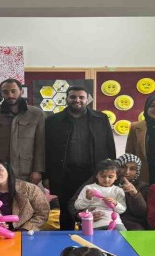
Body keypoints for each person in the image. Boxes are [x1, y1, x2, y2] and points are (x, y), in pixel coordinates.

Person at [46, 87, 116, 230]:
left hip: (93, 173)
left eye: (81, 97)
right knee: (66, 209)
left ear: (87, 99)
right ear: (67, 99)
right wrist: (46, 175)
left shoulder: (100, 118)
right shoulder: (53, 120)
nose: (77, 100)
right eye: (73, 97)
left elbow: (110, 145)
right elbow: (47, 149)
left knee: (94, 207)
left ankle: (91, 238)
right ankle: (66, 238)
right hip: (65, 173)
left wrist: (112, 171)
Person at [0, 78, 46, 183]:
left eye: (13, 91)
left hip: (27, 170)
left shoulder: (37, 114)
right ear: (1, 94)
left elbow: (41, 145)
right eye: (5, 92)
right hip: (1, 171)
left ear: (21, 92)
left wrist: (38, 170)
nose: (10, 95)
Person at [0, 159, 50, 232]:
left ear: (8, 170)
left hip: (26, 233)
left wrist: (24, 229)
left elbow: (42, 213)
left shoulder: (30, 188)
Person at [74, 159, 127, 231]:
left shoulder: (118, 190)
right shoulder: (89, 188)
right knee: (90, 236)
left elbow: (122, 210)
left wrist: (115, 203)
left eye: (110, 177)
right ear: (96, 175)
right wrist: (87, 198)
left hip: (114, 222)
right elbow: (77, 206)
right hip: (93, 222)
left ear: (116, 177)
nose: (106, 179)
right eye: (103, 176)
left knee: (122, 235)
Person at [114, 154, 149, 230]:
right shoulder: (104, 181)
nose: (127, 172)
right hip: (106, 220)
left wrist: (135, 194)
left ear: (137, 171)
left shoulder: (142, 187)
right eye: (123, 167)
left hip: (132, 224)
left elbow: (142, 213)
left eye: (132, 169)